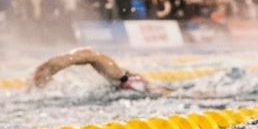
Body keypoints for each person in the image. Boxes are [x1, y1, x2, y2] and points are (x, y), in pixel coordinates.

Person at [29, 47, 166, 93]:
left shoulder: (111, 69)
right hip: (124, 81)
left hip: (125, 80)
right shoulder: (114, 71)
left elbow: (88, 55)